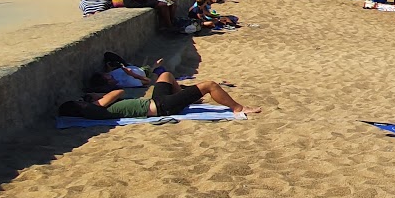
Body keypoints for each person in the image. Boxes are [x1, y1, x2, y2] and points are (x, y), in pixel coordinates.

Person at [78, 69, 260, 118]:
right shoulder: (97, 108)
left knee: (166, 75)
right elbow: (118, 91)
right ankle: (238, 107)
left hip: (157, 101)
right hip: (163, 107)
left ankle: (184, 98)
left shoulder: (98, 107)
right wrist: (96, 96)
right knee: (209, 85)